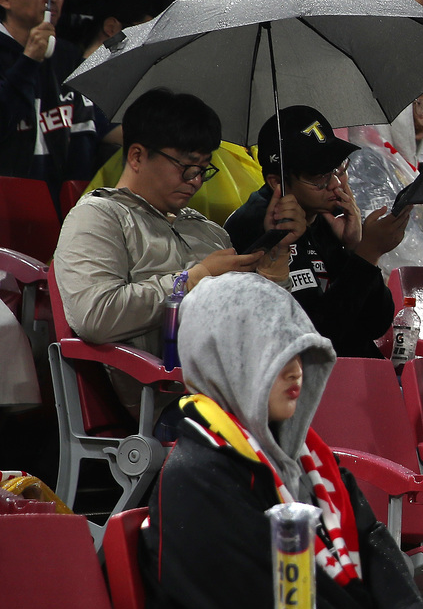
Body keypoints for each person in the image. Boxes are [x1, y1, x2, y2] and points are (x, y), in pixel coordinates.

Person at [141, 273, 423, 609]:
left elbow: (373, 545)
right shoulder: (197, 478)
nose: (296, 371)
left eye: (300, 352)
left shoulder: (308, 458)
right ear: (228, 359)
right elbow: (272, 603)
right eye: (274, 355)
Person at [53, 89, 303, 407]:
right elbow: (95, 316)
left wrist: (274, 267)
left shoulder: (207, 230)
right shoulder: (99, 215)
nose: (196, 181)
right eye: (186, 166)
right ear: (137, 156)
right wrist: (191, 281)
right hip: (169, 399)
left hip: (243, 388)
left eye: (203, 169)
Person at [225, 107, 406, 359]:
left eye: (336, 169)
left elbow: (374, 324)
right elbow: (316, 337)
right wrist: (367, 255)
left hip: (347, 373)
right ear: (277, 182)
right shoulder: (261, 226)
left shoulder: (325, 216)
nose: (334, 185)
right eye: (319, 177)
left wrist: (354, 248)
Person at [0, 0, 107, 201]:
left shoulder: (68, 56)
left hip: (59, 212)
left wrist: (76, 206)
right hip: (7, 207)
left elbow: (82, 135)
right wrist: (29, 61)